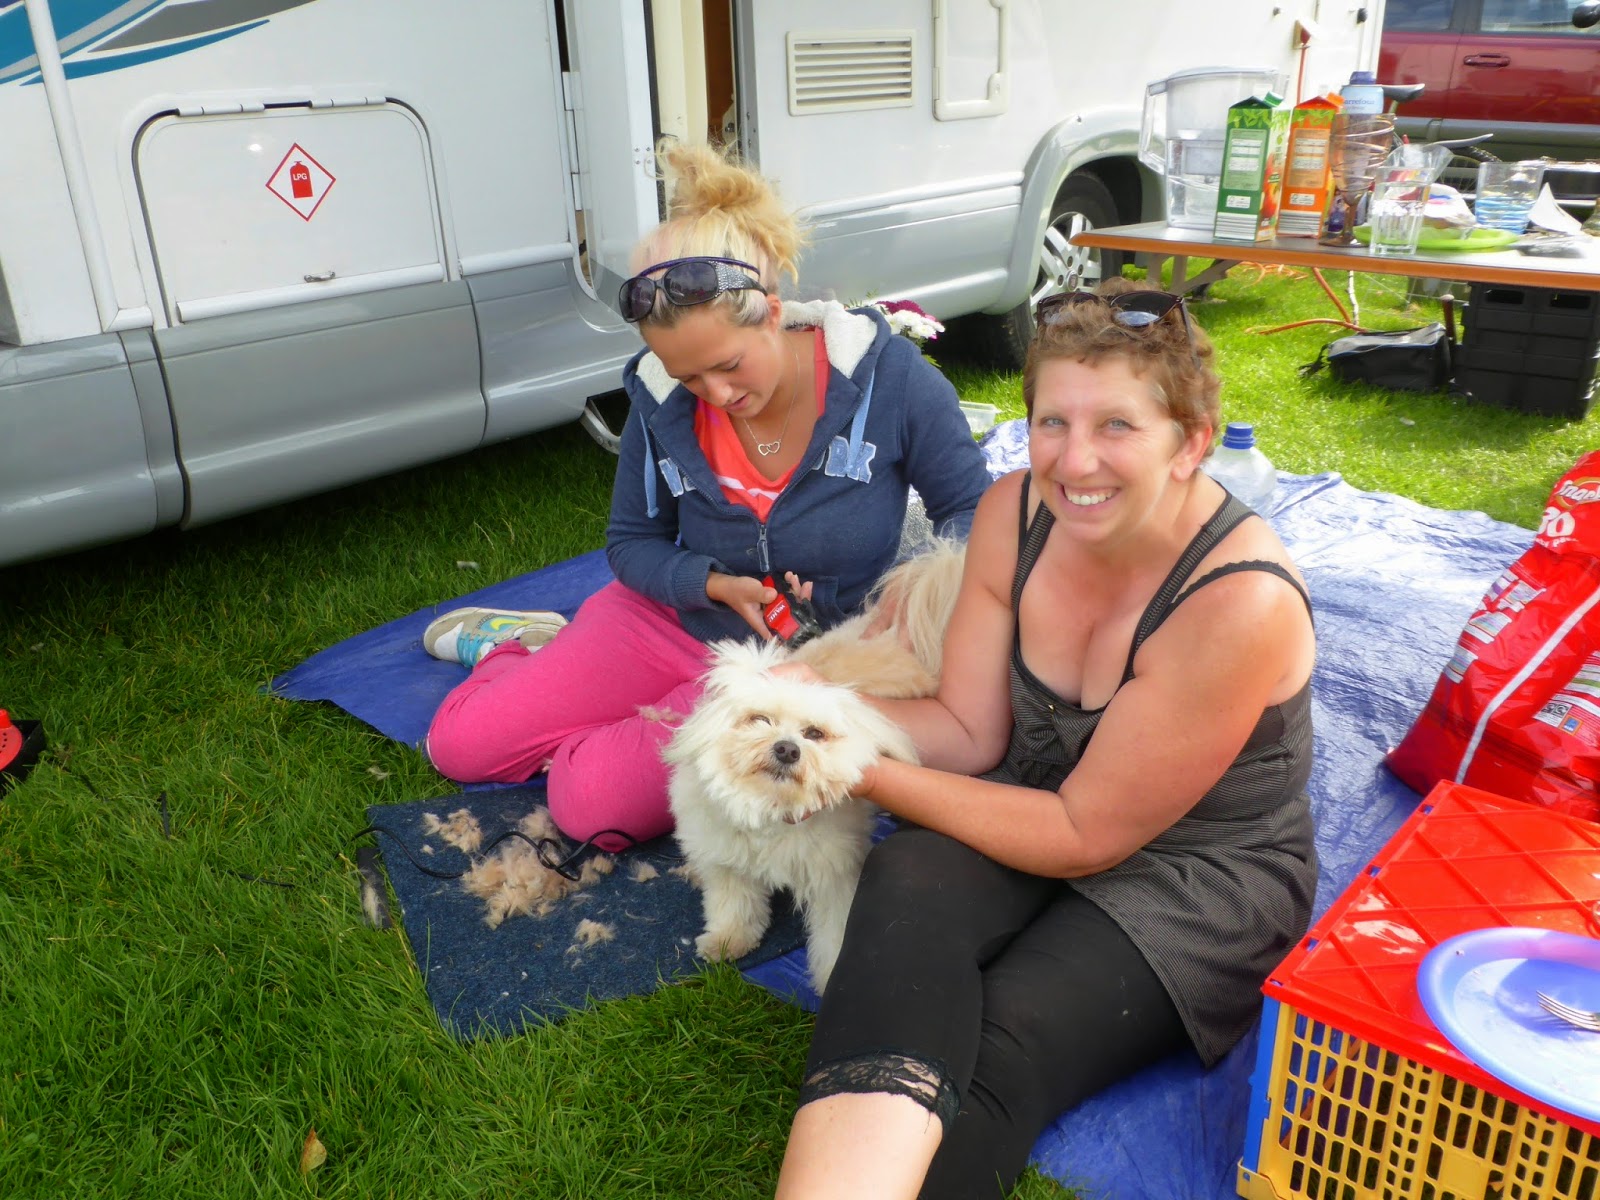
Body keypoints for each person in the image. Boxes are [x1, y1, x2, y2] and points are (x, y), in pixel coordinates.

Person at [773, 279, 1318, 1199]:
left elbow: (1082, 835)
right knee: (906, 885)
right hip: (1034, 795)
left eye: (1117, 425)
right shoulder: (1015, 513)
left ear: (1191, 442)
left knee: (1006, 1030)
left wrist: (855, 764)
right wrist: (820, 712)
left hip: (1192, 872)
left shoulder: (1238, 601)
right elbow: (967, 731)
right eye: (1052, 423)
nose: (1075, 460)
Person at [422, 140, 992, 850]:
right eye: (688, 377)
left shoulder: (891, 380)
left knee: (593, 809)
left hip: (796, 665)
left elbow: (976, 511)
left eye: (727, 365)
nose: (715, 395)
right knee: (460, 748)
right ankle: (520, 650)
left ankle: (605, 722)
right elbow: (632, 542)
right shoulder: (659, 396)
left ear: (772, 313)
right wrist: (712, 583)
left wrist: (916, 601)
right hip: (673, 619)